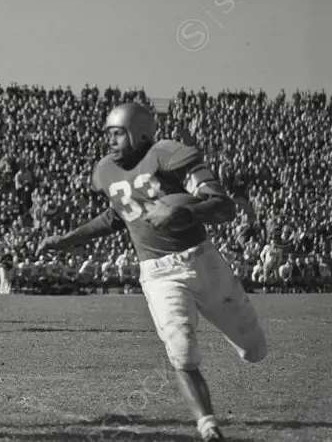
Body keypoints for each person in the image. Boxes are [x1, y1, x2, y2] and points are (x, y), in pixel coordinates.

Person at [38, 102, 267, 442]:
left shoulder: (168, 155)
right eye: (109, 134)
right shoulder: (105, 172)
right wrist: (69, 239)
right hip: (158, 272)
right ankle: (208, 426)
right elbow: (117, 215)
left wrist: (185, 214)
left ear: (140, 133)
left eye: (118, 133)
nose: (111, 141)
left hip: (202, 260)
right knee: (181, 350)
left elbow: (224, 205)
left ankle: (240, 344)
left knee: (255, 350)